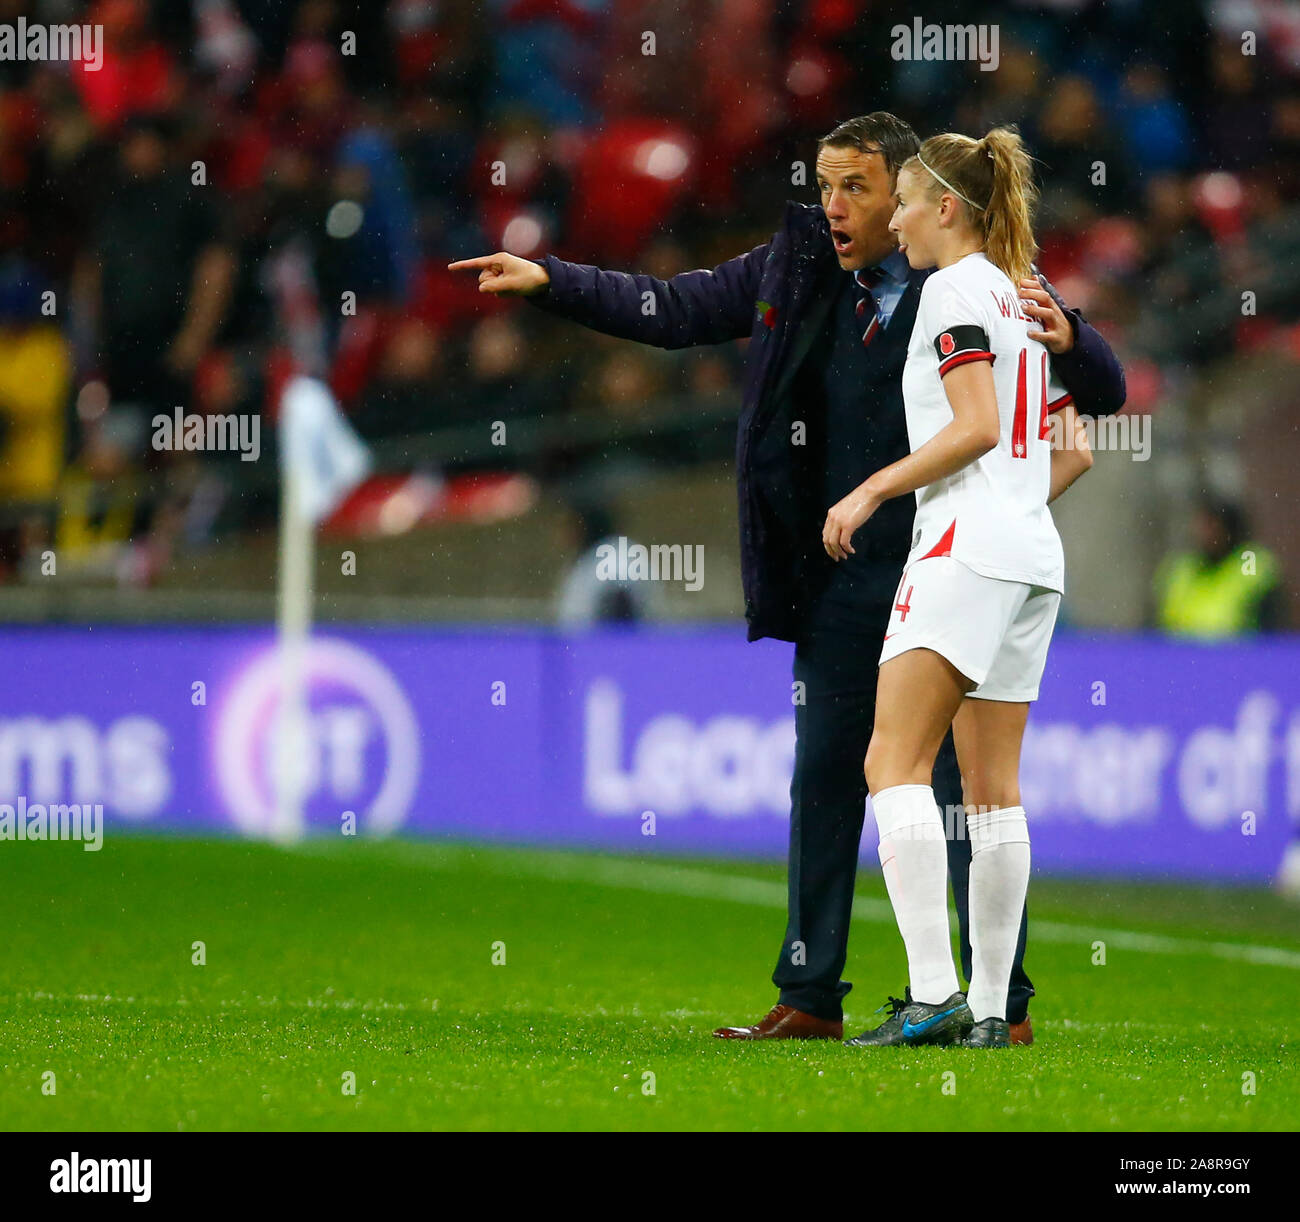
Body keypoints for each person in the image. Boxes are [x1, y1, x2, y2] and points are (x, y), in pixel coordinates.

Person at [449, 113, 1125, 1045]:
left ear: (910, 196)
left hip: (941, 553)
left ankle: (984, 1000)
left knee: (949, 783)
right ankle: (814, 995)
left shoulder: (974, 277)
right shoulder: (803, 264)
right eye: (823, 184)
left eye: (854, 187)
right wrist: (551, 280)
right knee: (832, 776)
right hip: (852, 572)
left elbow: (1098, 386)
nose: (833, 205)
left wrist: (1076, 337)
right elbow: (676, 308)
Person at [824, 127, 1079, 1049]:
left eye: (899, 200)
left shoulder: (950, 291)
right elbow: (1075, 447)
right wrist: (1012, 510)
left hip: (966, 547)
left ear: (943, 207)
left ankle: (932, 991)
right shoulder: (1023, 296)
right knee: (993, 791)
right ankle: (986, 1009)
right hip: (1031, 555)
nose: (888, 216)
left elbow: (972, 424)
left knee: (889, 764)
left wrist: (873, 486)